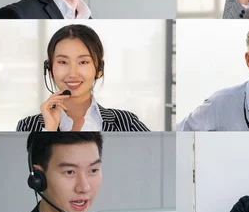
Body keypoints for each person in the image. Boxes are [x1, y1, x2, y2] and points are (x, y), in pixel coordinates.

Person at [16, 24, 150, 131]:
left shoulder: (127, 123)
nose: (73, 73)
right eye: (63, 62)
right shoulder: (28, 126)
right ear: (49, 69)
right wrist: (49, 130)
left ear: (99, 68)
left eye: (83, 62)